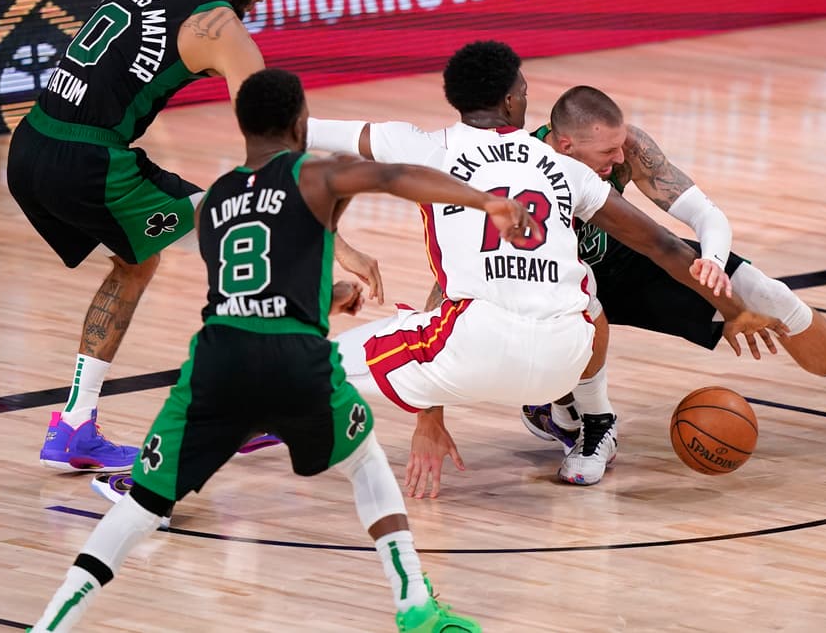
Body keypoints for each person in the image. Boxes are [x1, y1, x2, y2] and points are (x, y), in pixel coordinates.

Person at [28, 68, 516, 632]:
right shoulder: (313, 171)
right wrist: (486, 202)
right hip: (291, 360)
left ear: (242, 126)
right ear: (301, 123)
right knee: (366, 464)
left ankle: (51, 623)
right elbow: (397, 174)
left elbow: (248, 289)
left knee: (142, 506)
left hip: (219, 361)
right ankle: (413, 603)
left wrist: (329, 297)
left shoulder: (213, 199)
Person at [303, 40, 784, 497]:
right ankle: (580, 415)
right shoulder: (564, 166)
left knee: (308, 366)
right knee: (585, 286)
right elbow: (662, 244)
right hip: (565, 357)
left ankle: (245, 414)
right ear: (513, 100)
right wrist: (733, 308)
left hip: (471, 352)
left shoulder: (417, 144)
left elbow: (301, 130)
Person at [512, 85, 826, 485]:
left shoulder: (630, 149)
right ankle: (589, 421)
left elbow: (705, 214)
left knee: (770, 296)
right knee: (582, 296)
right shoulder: (522, 171)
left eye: (620, 147)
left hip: (629, 254)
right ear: (566, 146)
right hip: (553, 279)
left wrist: (713, 264)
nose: (620, 157)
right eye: (606, 153)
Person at [6, 0, 285, 472]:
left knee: (139, 261)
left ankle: (75, 425)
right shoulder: (220, 27)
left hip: (30, 145)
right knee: (245, 229)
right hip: (89, 162)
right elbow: (267, 133)